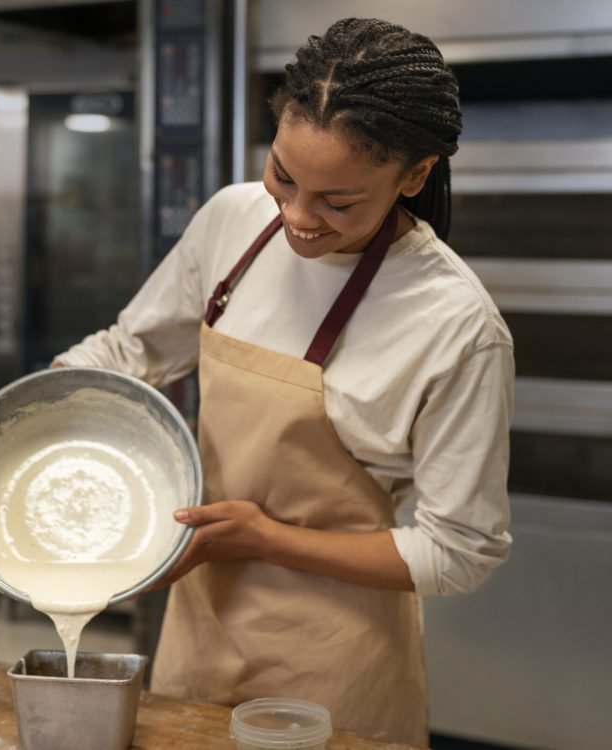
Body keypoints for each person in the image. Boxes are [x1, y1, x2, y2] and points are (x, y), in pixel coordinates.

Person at [53, 17, 513, 748]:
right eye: (283, 176)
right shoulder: (235, 220)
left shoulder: (455, 326)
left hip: (340, 661)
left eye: (339, 201)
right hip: (203, 630)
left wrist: (266, 538)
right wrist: (48, 407)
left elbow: (459, 551)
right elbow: (130, 352)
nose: (297, 217)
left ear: (415, 176)